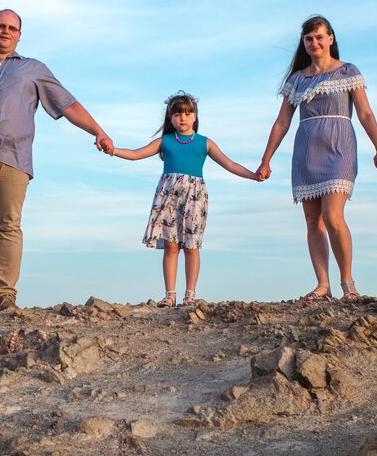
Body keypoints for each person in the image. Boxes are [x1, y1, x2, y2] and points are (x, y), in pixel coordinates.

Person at [0, 9, 114, 314]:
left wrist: (98, 131)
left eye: (12, 28)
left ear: (19, 34)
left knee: (9, 227)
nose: (5, 31)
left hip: (13, 158)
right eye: (0, 26)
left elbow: (68, 104)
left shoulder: (33, 69)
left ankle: (6, 297)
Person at [256, 15, 377, 301]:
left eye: (319, 37)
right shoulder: (297, 79)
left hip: (339, 147)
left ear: (330, 38)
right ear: (304, 43)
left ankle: (347, 282)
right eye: (309, 38)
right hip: (306, 149)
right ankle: (322, 285)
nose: (314, 42)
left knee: (332, 215)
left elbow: (366, 113)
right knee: (312, 220)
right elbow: (281, 122)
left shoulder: (348, 72)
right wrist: (266, 159)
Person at [111, 92, 263, 307]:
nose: (182, 118)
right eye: (177, 114)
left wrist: (254, 175)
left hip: (194, 197)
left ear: (195, 117)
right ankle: (170, 294)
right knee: (171, 246)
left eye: (187, 113)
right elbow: (136, 154)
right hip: (168, 197)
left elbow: (229, 164)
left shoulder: (204, 143)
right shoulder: (165, 141)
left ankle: (189, 294)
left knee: (191, 246)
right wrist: (113, 150)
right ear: (170, 118)